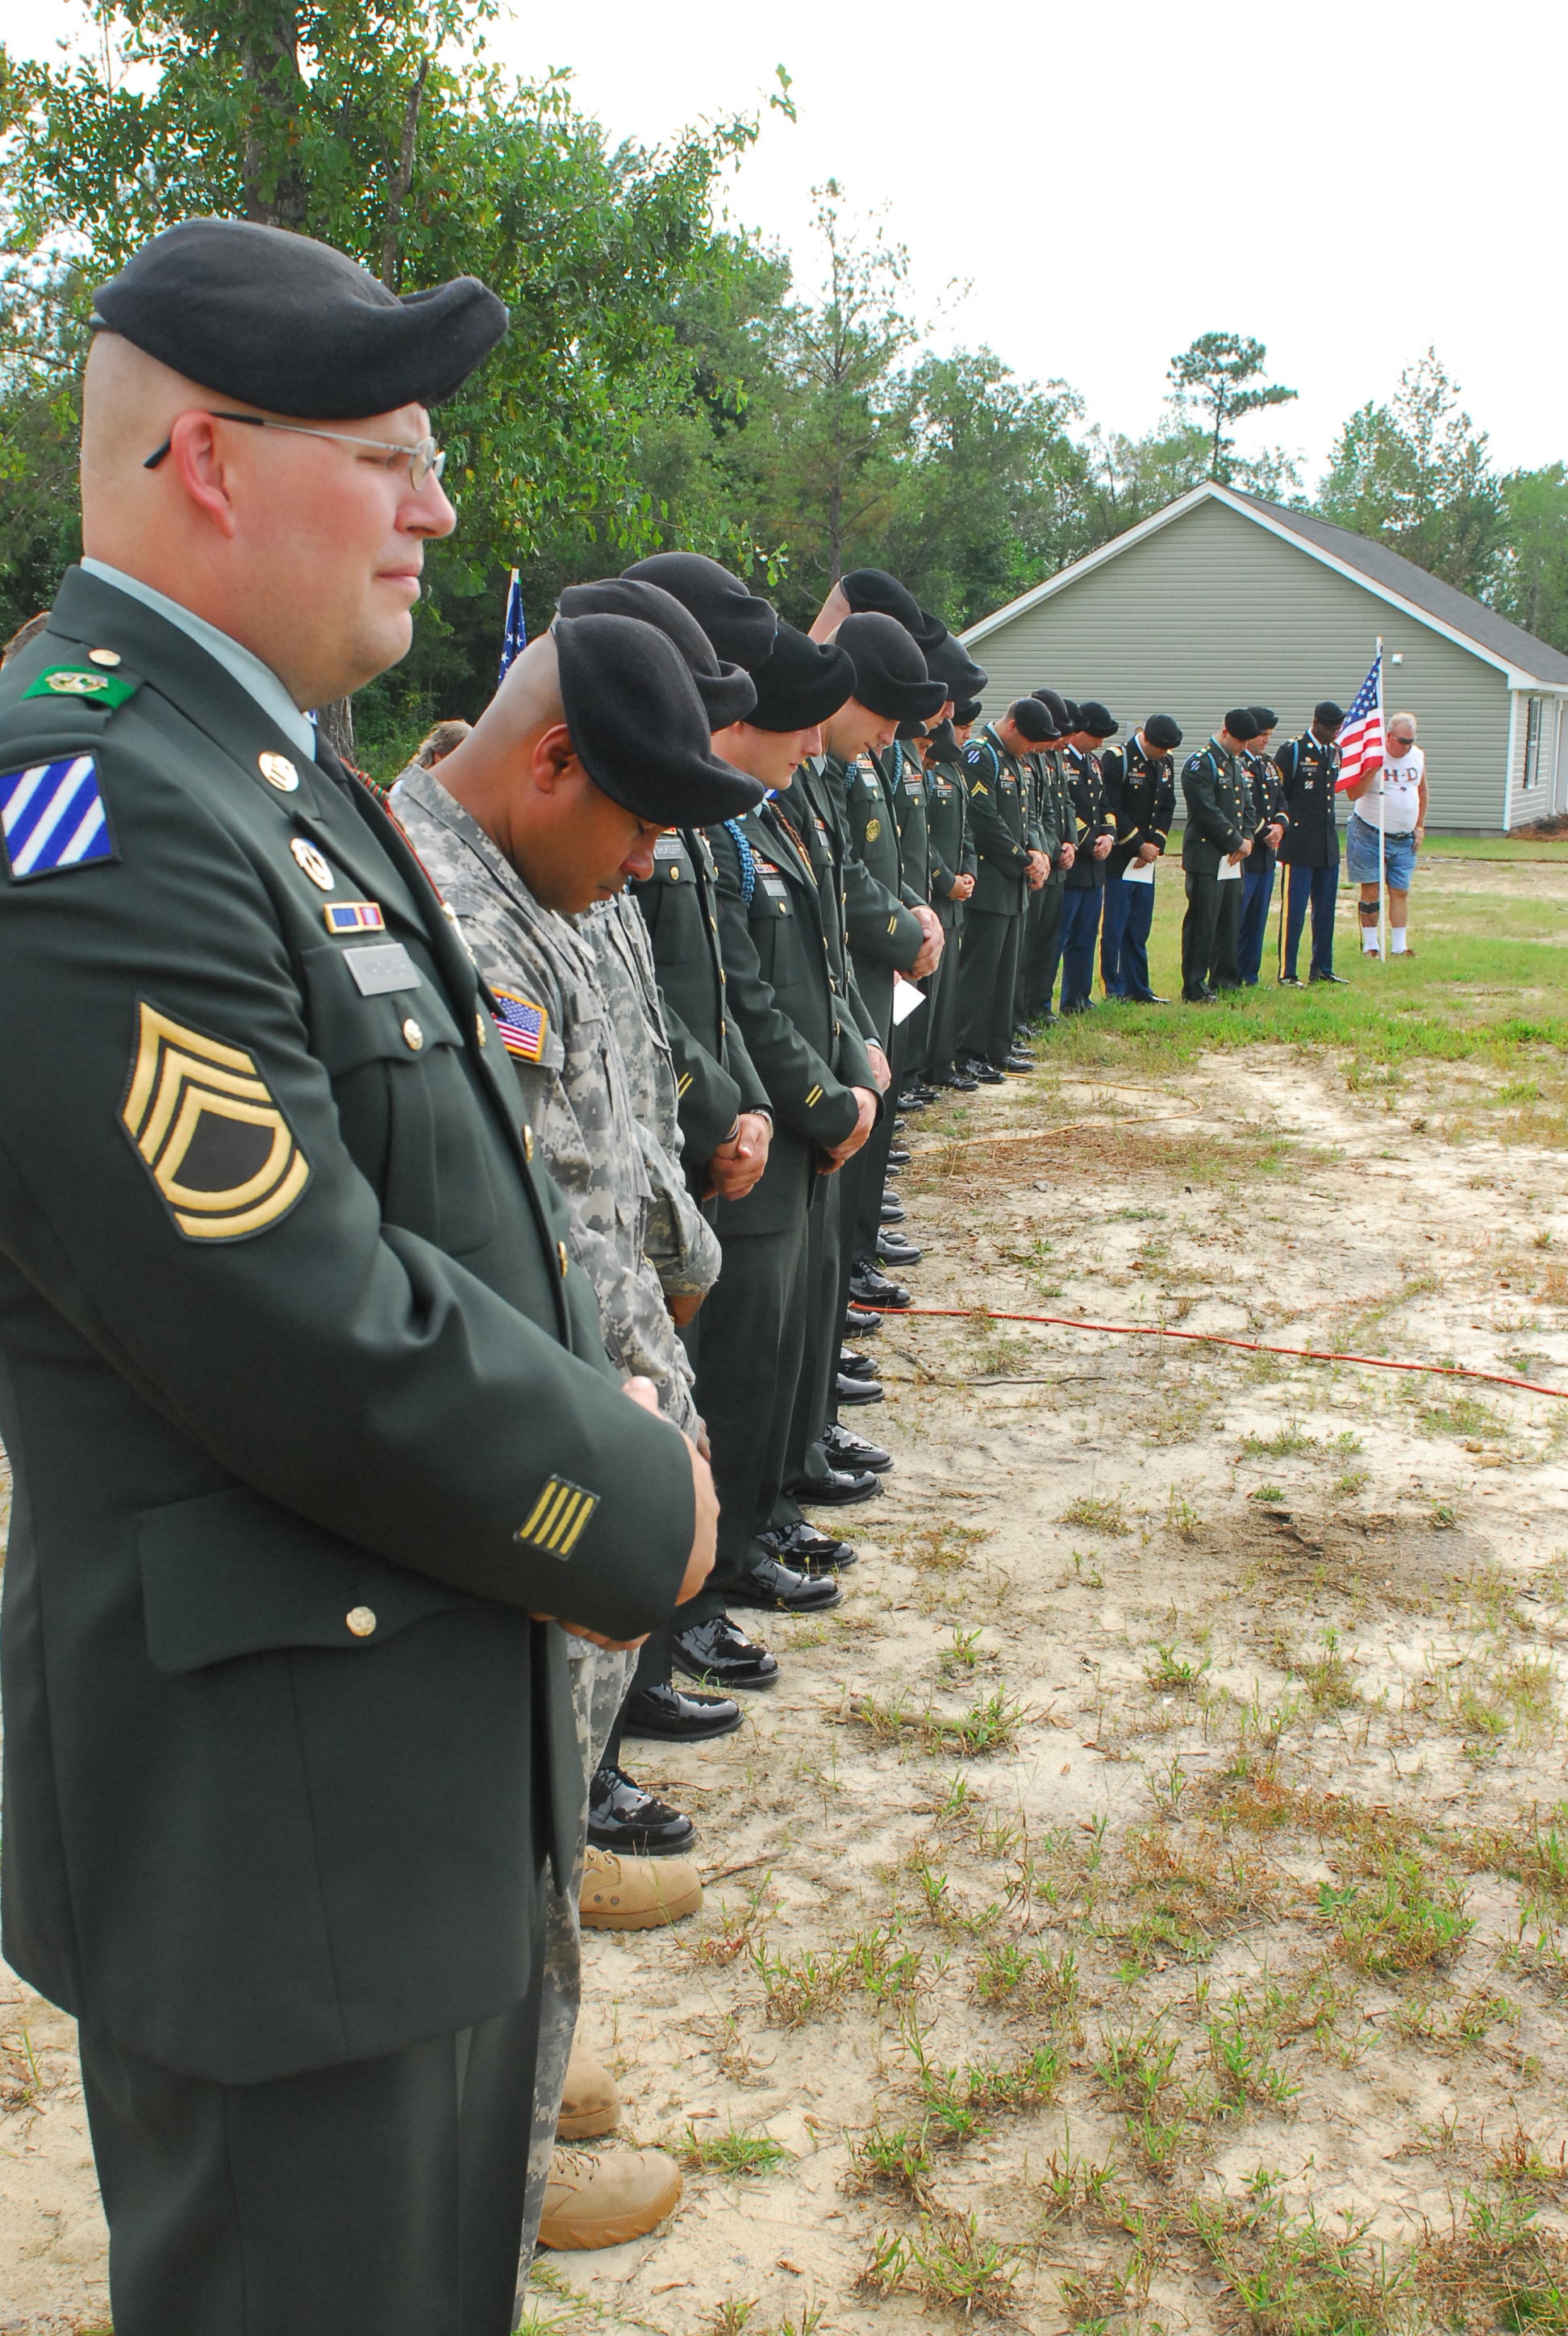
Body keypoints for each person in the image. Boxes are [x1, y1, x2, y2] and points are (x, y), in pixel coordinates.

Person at [0, 216, 715, 2336]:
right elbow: (310, 1329)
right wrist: (636, 1497)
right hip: (274, 1854)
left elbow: (457, 1212)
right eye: (391, 453)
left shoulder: (272, 787)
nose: (441, 504)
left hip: (389, 1806)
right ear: (212, 466)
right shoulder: (87, 796)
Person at [392, 605, 756, 2263]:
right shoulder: (443, 906)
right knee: (494, 1835)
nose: (645, 868)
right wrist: (636, 1444)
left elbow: (617, 1152)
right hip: (553, 1465)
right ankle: (508, 2156)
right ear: (552, 762)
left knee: (540, 1823)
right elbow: (533, 1230)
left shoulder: (533, 873)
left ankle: (527, 2085)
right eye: (637, 826)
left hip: (602, 1446)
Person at [956, 698, 1053, 1078]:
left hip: (1013, 887)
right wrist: (1022, 858)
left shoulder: (1014, 759)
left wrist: (1036, 850)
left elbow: (1025, 814)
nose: (1032, 749)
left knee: (1005, 974)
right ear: (1012, 726)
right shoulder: (983, 755)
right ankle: (968, 1050)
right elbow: (984, 820)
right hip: (991, 883)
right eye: (1028, 740)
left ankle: (997, 1045)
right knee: (980, 974)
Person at [1098, 715, 1180, 1002]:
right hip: (1122, 857)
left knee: (1139, 926)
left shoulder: (1165, 763)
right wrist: (1137, 844)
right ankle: (1115, 987)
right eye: (1159, 748)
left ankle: (1139, 986)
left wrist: (1156, 843)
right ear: (1146, 739)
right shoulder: (1117, 759)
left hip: (1146, 861)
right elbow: (1110, 806)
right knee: (1115, 927)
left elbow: (1167, 806)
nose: (1163, 754)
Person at [1179, 709, 1258, 1001]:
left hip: (1233, 857)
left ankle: (1225, 978)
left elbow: (1247, 807)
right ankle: (1195, 984)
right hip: (1208, 855)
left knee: (1228, 920)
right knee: (1203, 922)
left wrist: (1247, 838)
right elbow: (1206, 811)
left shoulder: (1234, 763)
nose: (1244, 747)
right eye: (1240, 741)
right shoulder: (1202, 763)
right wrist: (1235, 841)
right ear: (1225, 732)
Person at [920, 711, 977, 1088]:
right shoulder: (922, 774)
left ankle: (941, 1066)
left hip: (955, 896)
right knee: (922, 995)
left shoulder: (953, 772)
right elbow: (919, 840)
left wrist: (969, 872)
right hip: (933, 895)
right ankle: (912, 1075)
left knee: (946, 995)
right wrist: (946, 882)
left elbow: (965, 831)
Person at [1274, 701, 1347, 986]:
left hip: (1327, 843)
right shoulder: (1293, 750)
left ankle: (1322, 968)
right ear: (1316, 723)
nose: (1334, 734)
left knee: (1326, 910)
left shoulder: (1335, 752)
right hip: (1300, 843)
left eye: (1338, 729)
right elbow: (1279, 793)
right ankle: (1287, 972)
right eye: (1330, 729)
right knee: (1294, 912)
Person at [1345, 709, 1426, 957]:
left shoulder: (1417, 757)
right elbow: (1353, 793)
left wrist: (1419, 826)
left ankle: (1400, 946)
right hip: (1369, 832)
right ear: (1389, 736)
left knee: (1400, 890)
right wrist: (1372, 770)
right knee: (1371, 888)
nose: (1406, 747)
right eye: (1402, 741)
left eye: (1410, 742)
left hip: (1404, 837)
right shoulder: (1373, 755)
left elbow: (1421, 791)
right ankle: (1371, 945)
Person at [1057, 700, 1119, 1012]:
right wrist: (1091, 841)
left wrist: (1109, 835)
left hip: (1095, 869)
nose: (1100, 742)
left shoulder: (1094, 764)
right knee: (1061, 937)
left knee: (1086, 936)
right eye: (1096, 735)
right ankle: (1044, 999)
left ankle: (1078, 996)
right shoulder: (1063, 761)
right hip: (1075, 865)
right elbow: (1065, 810)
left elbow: (1105, 806)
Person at [1236, 706, 1288, 986]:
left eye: (1269, 735)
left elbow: (1280, 800)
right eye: (1262, 735)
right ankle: (1230, 971)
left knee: (1258, 920)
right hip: (1248, 852)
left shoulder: (1268, 764)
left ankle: (1250, 973)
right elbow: (1243, 808)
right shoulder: (1239, 764)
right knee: (1239, 916)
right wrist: (1261, 831)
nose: (1266, 740)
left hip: (1268, 856)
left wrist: (1280, 825)